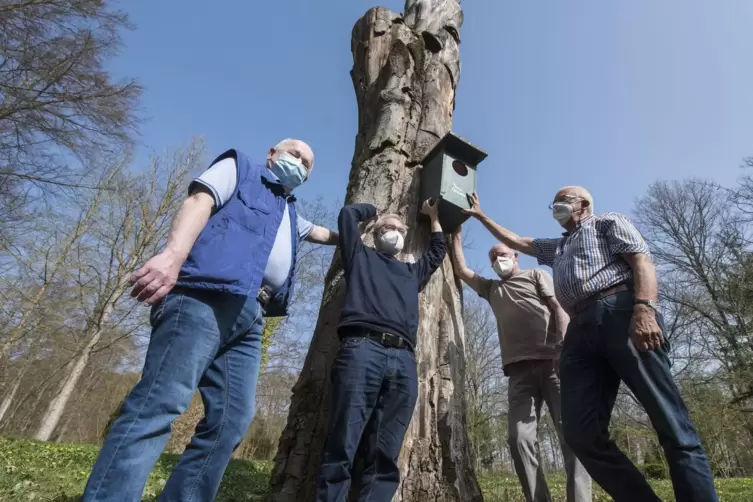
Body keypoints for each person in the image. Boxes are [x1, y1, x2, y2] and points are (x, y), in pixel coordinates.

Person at [83, 140, 339, 502]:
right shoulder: (241, 170)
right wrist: (172, 256)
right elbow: (198, 200)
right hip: (203, 297)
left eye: (307, 163)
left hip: (252, 318)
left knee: (232, 421)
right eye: (294, 154)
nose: (299, 163)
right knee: (161, 403)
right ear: (272, 154)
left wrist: (361, 234)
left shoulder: (290, 212)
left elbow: (322, 234)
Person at [461, 188, 719, 502]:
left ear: (583, 204)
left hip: (619, 310)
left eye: (564, 199)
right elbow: (519, 242)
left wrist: (645, 309)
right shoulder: (558, 246)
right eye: (553, 201)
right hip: (579, 330)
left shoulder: (606, 223)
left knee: (669, 422)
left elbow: (642, 261)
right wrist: (481, 215)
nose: (556, 205)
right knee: (580, 434)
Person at [316, 199, 446, 502]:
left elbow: (438, 251)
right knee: (342, 443)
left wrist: (434, 217)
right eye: (389, 227)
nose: (396, 232)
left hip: (403, 359)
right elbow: (347, 215)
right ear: (375, 233)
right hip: (362, 349)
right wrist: (374, 211)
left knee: (386, 452)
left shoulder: (411, 273)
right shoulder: (359, 256)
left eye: (401, 229)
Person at [450, 232, 592, 502]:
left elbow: (559, 308)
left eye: (502, 254)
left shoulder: (536, 275)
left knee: (572, 436)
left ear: (515, 256)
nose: (497, 259)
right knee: (518, 439)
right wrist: (455, 235)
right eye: (493, 257)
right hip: (518, 373)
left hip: (553, 364)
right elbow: (461, 270)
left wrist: (562, 348)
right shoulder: (492, 290)